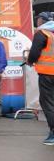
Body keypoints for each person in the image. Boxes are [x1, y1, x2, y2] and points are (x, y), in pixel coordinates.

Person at [28, 12, 54, 145]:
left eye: (38, 19)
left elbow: (34, 52)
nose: (37, 21)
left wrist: (30, 61)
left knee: (47, 102)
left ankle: (53, 133)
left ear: (42, 21)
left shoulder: (42, 33)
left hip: (47, 74)